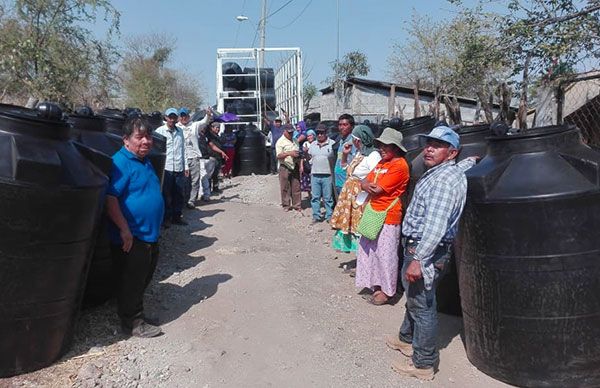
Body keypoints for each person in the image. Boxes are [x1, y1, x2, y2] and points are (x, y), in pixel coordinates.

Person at [387, 126, 477, 381]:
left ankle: (424, 363)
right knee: (416, 297)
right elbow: (458, 168)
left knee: (423, 304)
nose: (428, 148)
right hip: (424, 248)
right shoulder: (449, 171)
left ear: (451, 152)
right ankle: (406, 339)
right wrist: (470, 161)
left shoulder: (443, 183)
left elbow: (436, 227)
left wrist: (418, 260)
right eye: (428, 143)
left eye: (437, 145)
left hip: (424, 249)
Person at [105, 116, 164, 338]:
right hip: (132, 236)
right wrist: (124, 230)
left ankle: (136, 314)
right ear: (126, 140)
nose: (146, 142)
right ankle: (133, 323)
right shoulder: (120, 163)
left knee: (142, 276)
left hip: (148, 233)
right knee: (132, 279)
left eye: (148, 137)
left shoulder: (143, 160)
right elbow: (110, 199)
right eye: (139, 137)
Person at [355, 127, 410, 305]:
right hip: (373, 212)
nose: (382, 148)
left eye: (386, 145)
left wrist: (367, 184)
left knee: (386, 255)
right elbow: (363, 180)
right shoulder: (382, 164)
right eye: (380, 145)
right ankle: (375, 286)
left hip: (388, 215)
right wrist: (365, 184)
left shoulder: (399, 165)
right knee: (369, 251)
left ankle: (387, 291)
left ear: (396, 148)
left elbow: (377, 189)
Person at [330, 124, 381, 252]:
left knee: (360, 228)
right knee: (353, 227)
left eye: (353, 139)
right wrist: (345, 156)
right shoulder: (360, 154)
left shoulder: (373, 156)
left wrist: (360, 186)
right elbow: (350, 171)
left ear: (358, 140)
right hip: (352, 198)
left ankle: (363, 263)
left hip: (362, 198)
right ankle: (358, 262)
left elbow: (376, 178)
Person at [155, 108, 189, 227]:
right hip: (166, 168)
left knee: (179, 193)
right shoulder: (160, 131)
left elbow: (183, 149)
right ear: (166, 117)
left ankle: (177, 216)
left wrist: (186, 166)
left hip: (179, 167)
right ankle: (165, 218)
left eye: (174, 117)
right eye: (170, 117)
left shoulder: (180, 131)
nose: (172, 119)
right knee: (165, 194)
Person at [178, 107, 211, 209]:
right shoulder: (177, 127)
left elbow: (205, 121)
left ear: (189, 116)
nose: (183, 118)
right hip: (181, 157)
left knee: (195, 180)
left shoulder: (194, 125)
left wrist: (208, 114)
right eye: (181, 116)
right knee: (183, 180)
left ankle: (191, 200)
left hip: (194, 157)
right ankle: (182, 200)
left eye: (185, 115)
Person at [307, 124, 335, 223]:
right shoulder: (312, 145)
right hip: (315, 174)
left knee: (328, 198)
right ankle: (316, 216)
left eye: (321, 133)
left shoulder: (332, 144)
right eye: (317, 133)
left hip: (327, 175)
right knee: (315, 197)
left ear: (326, 133)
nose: (319, 135)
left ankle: (329, 216)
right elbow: (309, 158)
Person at [197, 121, 229, 200]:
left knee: (214, 174)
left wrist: (222, 152)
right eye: (216, 127)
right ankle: (204, 193)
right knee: (205, 176)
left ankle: (210, 191)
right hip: (205, 158)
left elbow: (214, 145)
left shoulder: (213, 136)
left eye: (219, 127)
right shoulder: (202, 135)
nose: (218, 129)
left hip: (214, 158)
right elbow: (212, 146)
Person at [275, 124, 301, 211]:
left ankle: (297, 205)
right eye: (289, 132)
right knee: (285, 186)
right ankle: (286, 205)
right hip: (285, 166)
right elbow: (278, 156)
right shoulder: (280, 142)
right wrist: (289, 153)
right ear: (284, 131)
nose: (291, 134)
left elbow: (297, 151)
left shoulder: (295, 140)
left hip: (295, 165)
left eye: (292, 132)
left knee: (296, 185)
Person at [333, 113, 356, 199]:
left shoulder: (353, 142)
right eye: (340, 125)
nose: (342, 127)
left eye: (345, 125)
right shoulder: (341, 141)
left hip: (348, 182)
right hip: (338, 181)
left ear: (352, 126)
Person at [300, 129, 316, 196]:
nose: (309, 137)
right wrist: (301, 166)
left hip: (315, 165)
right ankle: (310, 194)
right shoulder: (305, 144)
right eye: (308, 136)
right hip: (307, 164)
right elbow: (302, 156)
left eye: (310, 136)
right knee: (307, 180)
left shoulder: (316, 143)